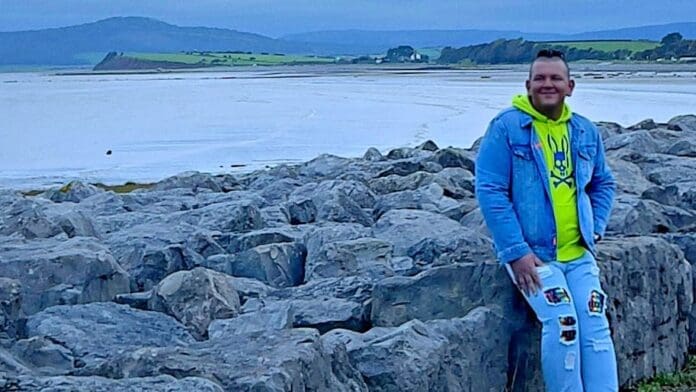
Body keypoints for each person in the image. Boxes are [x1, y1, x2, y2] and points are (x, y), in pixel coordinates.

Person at [475, 49, 618, 391]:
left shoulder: (584, 131)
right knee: (564, 324)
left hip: (579, 254)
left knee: (595, 325)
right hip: (533, 255)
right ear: (528, 85)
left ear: (570, 86)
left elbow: (604, 183)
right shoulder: (507, 128)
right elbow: (490, 190)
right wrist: (516, 252)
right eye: (540, 78)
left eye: (555, 78)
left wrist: (594, 228)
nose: (547, 84)